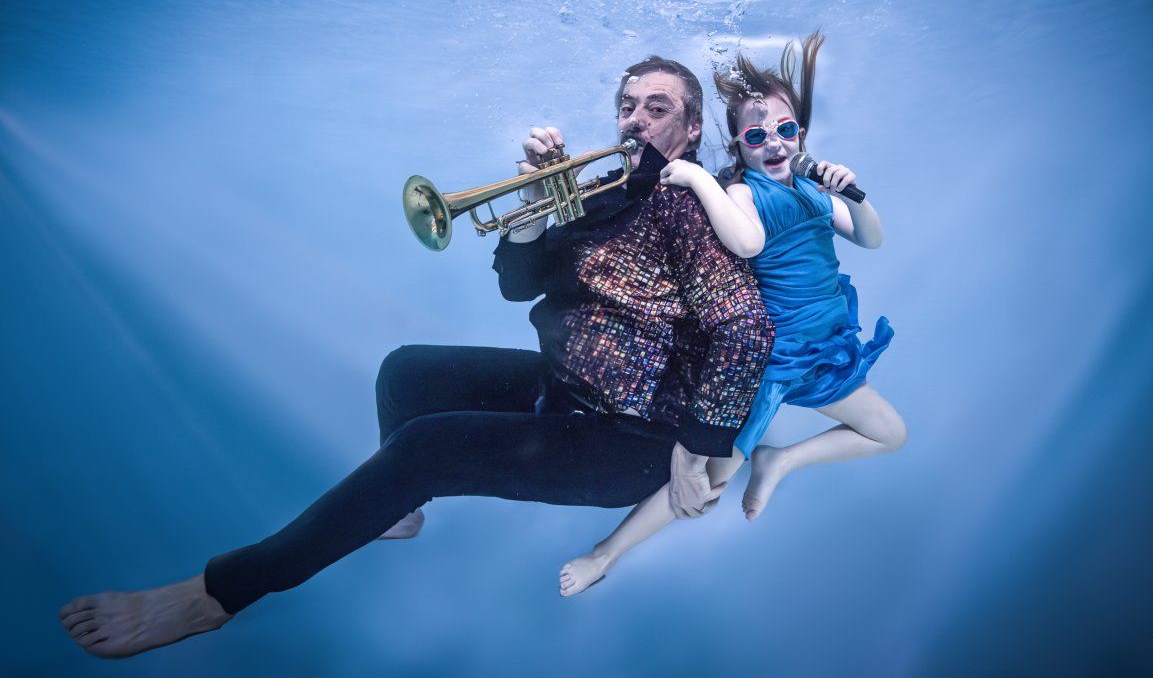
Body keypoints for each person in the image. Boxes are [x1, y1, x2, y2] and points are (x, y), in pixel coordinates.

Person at [58, 56, 775, 659]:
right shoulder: (596, 194)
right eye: (627, 106)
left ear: (688, 130)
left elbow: (746, 331)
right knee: (405, 372)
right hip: (566, 388)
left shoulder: (690, 208)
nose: (635, 121)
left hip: (634, 438)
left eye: (657, 108)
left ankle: (218, 594)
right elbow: (516, 286)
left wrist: (697, 448)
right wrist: (531, 202)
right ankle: (393, 512)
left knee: (426, 447)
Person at [559, 32, 906, 598]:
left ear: (801, 134)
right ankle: (606, 553)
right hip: (772, 359)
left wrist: (857, 196)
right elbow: (745, 244)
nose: (773, 143)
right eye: (755, 135)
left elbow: (871, 239)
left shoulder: (817, 195)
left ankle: (780, 462)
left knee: (890, 433)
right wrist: (699, 178)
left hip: (824, 349)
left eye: (784, 131)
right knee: (706, 482)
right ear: (738, 147)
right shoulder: (744, 194)